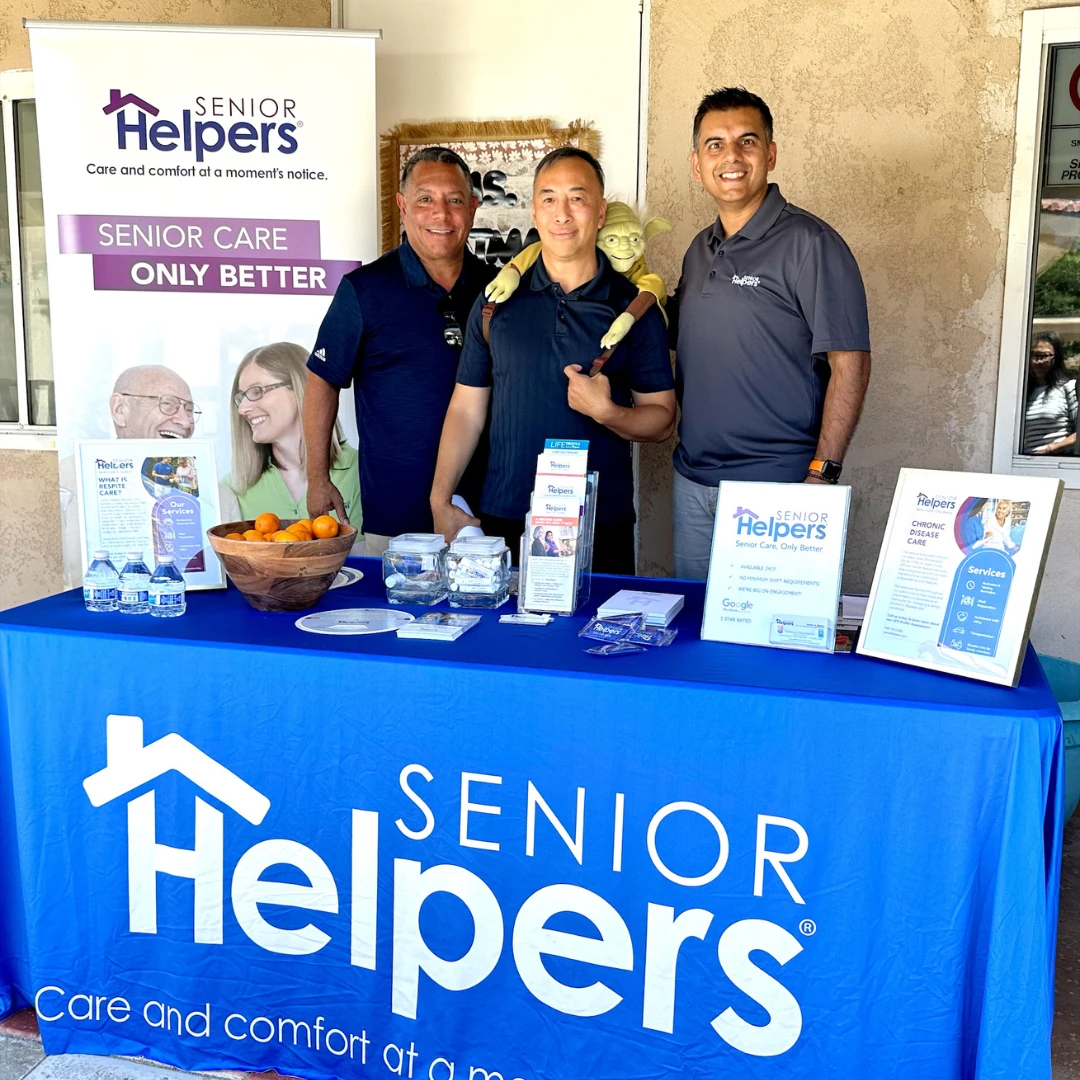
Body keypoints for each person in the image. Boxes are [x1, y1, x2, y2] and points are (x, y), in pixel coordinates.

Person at [429, 147, 676, 576]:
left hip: (600, 524)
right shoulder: (494, 304)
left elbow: (663, 420)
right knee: (508, 644)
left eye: (577, 198)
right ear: (535, 213)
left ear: (600, 213)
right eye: (549, 199)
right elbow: (467, 408)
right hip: (506, 518)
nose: (562, 214)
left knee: (594, 642)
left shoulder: (634, 310)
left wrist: (609, 412)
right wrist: (439, 498)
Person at [670, 87, 872, 579]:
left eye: (747, 141)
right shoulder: (699, 250)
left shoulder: (811, 243)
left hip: (778, 490)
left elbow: (851, 362)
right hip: (692, 483)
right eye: (715, 145)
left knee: (772, 644)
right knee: (698, 642)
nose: (731, 156)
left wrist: (822, 473)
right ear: (697, 164)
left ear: (771, 154)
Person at [303, 146, 495, 557]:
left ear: (474, 208)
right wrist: (317, 477)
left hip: (490, 518)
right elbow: (322, 381)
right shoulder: (364, 290)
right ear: (403, 206)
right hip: (398, 524)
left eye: (455, 200)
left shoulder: (500, 289)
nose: (441, 214)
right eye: (425, 199)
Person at [60, 364, 203, 588]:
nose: (185, 422)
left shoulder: (215, 495)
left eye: (189, 410)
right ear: (120, 409)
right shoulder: (64, 481)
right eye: (168, 404)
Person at [220, 342, 361, 527]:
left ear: (300, 387)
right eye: (241, 398)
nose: (243, 409)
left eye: (257, 391)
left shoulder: (362, 473)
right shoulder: (232, 488)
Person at [1024, 331, 1077, 456]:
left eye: (1041, 356)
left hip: (1055, 464)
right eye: (1031, 355)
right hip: (1024, 464)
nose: (1034, 362)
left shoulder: (1068, 388)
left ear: (1056, 358)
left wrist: (1049, 449)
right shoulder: (1022, 393)